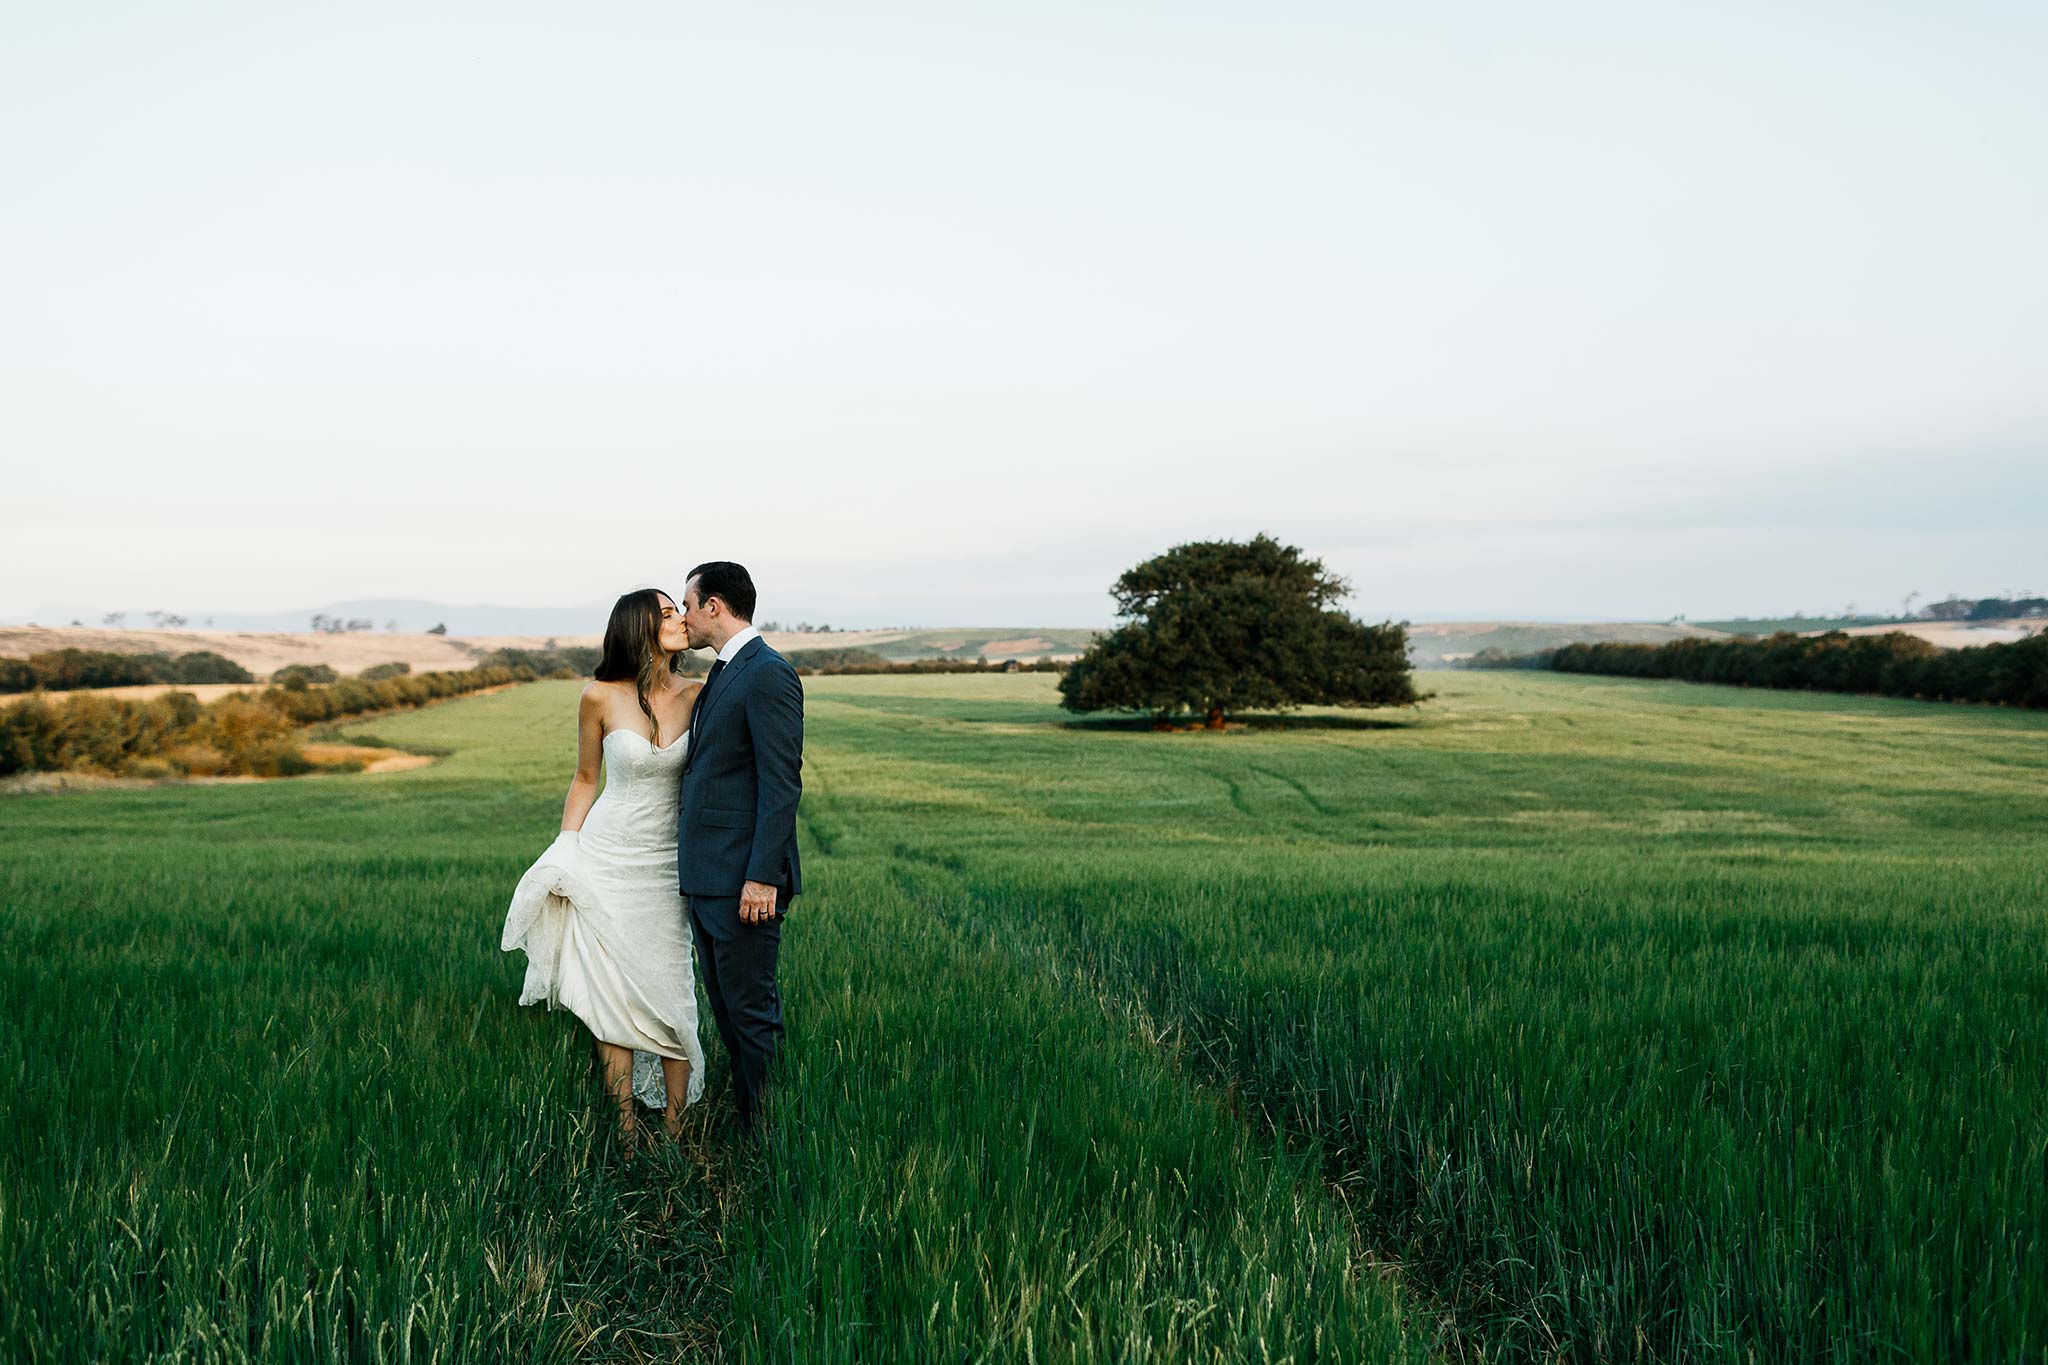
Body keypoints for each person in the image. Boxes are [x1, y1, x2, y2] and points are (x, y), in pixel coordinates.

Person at [502, 588, 706, 1149]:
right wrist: (565, 848)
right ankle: (623, 1134)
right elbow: (586, 779)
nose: (682, 620)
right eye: (667, 613)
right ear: (638, 627)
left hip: (667, 865)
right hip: (606, 858)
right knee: (609, 993)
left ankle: (674, 1133)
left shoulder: (701, 694)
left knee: (672, 987)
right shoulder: (598, 697)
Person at [676, 561, 803, 1136]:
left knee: (752, 1015)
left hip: (743, 884)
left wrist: (762, 878)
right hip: (708, 879)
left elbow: (781, 784)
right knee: (726, 1010)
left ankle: (768, 1136)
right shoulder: (726, 673)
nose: (683, 618)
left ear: (714, 606)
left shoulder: (767, 673)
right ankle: (747, 1117)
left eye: (688, 605)